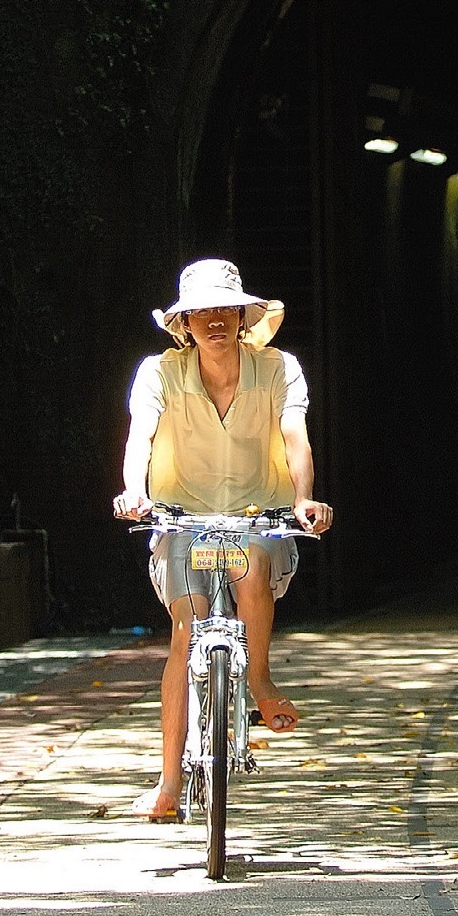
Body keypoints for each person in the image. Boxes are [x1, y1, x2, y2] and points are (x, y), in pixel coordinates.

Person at [111, 258, 333, 821]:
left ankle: (259, 678)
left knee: (251, 567)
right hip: (184, 518)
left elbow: (294, 434)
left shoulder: (281, 368)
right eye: (199, 312)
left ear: (242, 316)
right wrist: (132, 490)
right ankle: (167, 783)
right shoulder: (157, 373)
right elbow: (140, 434)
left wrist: (304, 497)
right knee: (185, 633)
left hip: (256, 516)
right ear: (184, 324)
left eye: (223, 310)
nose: (213, 321)